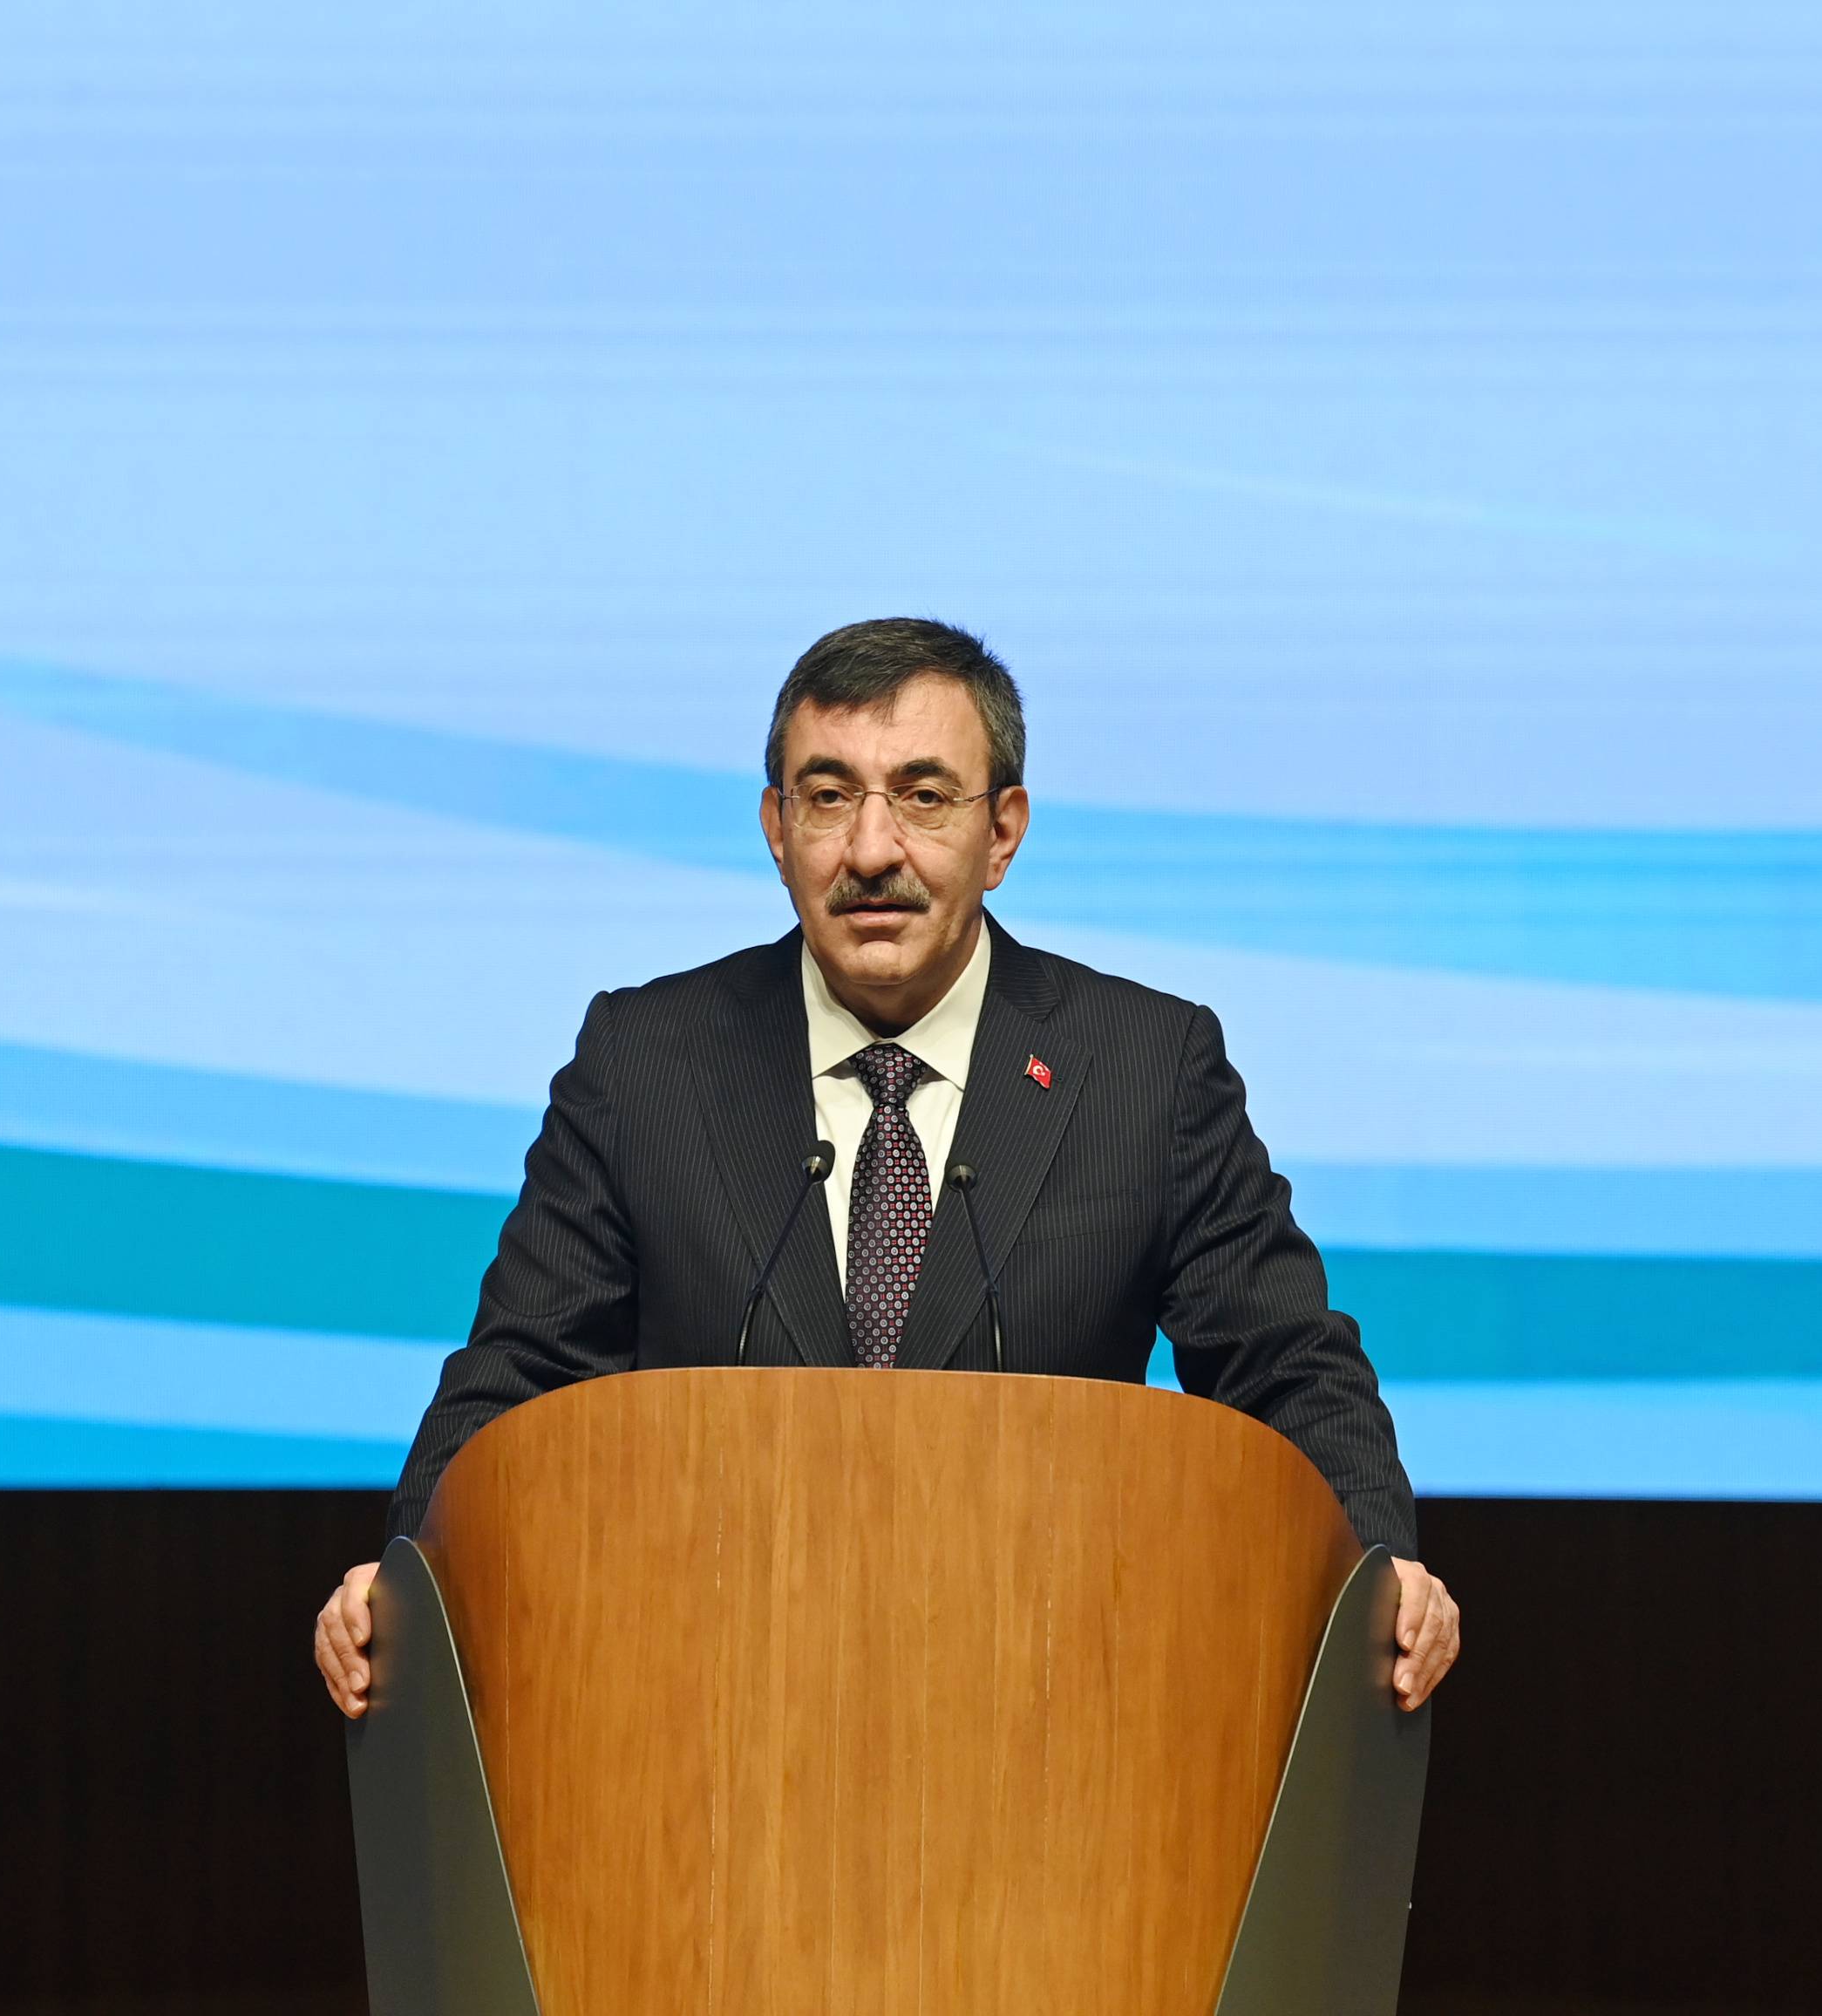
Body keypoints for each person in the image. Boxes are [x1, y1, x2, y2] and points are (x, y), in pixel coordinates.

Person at [315, 618, 1461, 1715]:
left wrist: (1379, 1567)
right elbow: (519, 1379)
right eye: (828, 797)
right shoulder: (646, 1063)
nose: (872, 852)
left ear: (1003, 833)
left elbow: (1287, 1366)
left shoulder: (1144, 1071)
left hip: (1046, 1705)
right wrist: (409, 1574)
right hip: (710, 1710)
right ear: (775, 827)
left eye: (922, 797)